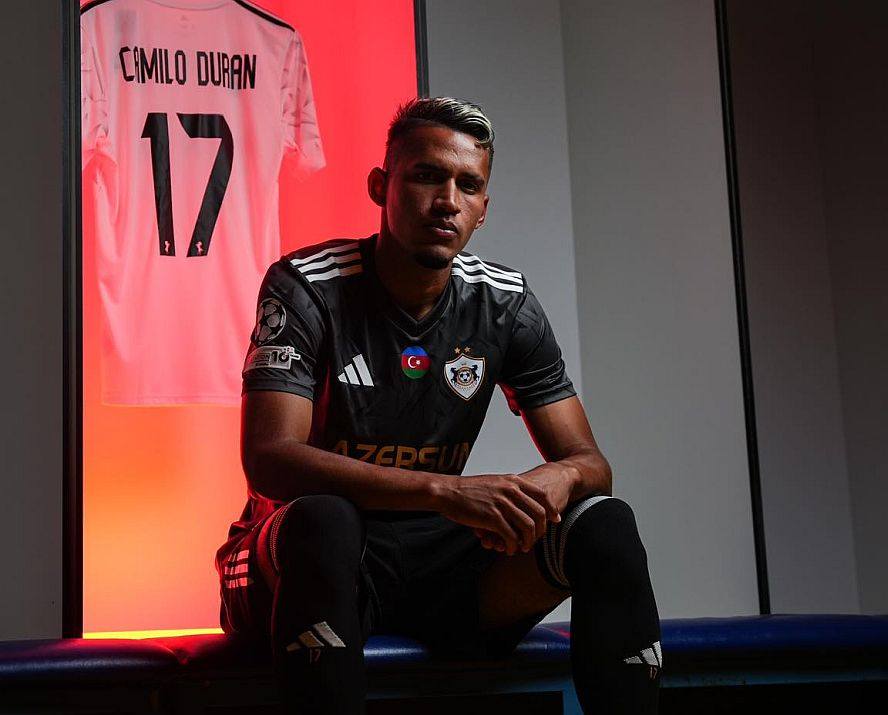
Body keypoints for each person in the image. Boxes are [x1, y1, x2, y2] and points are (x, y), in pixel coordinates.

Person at [216, 97, 662, 714]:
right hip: (299, 561)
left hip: (438, 572)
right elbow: (270, 459)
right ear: (381, 186)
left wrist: (553, 481)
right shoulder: (307, 285)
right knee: (325, 519)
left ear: (483, 209)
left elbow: (590, 464)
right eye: (427, 176)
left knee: (604, 522)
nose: (447, 200)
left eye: (468, 185)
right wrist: (445, 492)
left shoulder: (504, 302)